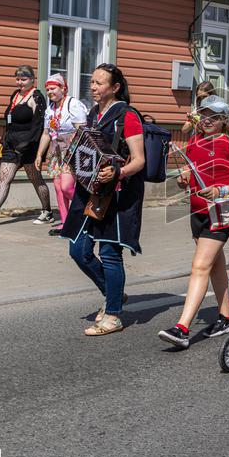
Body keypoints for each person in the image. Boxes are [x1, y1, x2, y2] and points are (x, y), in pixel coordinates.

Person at [61, 64, 146, 335]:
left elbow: (139, 160)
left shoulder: (127, 116)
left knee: (109, 253)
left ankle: (113, 314)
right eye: (92, 82)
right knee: (78, 250)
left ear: (115, 87)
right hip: (90, 192)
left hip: (118, 194)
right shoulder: (93, 114)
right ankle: (114, 294)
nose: (93, 87)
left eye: (99, 83)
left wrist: (118, 171)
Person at [159, 95, 229, 349]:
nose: (208, 120)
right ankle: (227, 316)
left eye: (214, 116)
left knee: (199, 266)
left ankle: (182, 328)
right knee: (215, 266)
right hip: (197, 211)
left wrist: (221, 191)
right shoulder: (194, 140)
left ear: (223, 120)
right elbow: (190, 172)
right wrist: (184, 178)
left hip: (219, 212)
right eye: (204, 114)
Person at [0, 65, 52, 227]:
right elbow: (9, 121)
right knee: (4, 178)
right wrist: (4, 139)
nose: (20, 82)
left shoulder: (36, 97)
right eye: (17, 79)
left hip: (29, 146)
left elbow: (39, 125)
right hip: (11, 145)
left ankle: (47, 211)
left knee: (35, 179)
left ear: (32, 80)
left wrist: (27, 145)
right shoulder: (15, 95)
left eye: (24, 79)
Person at [35, 74, 88, 236]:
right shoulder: (50, 108)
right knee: (58, 188)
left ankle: (88, 210)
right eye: (48, 89)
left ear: (63, 89)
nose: (50, 92)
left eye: (53, 88)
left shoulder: (73, 104)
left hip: (71, 148)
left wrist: (70, 151)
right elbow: (46, 133)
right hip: (55, 148)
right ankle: (66, 223)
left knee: (66, 187)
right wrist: (39, 154)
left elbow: (81, 129)